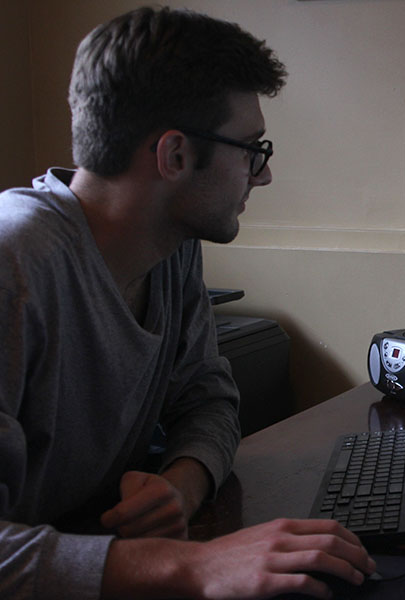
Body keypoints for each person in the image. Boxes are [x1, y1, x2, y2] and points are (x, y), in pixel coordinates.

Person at [0, 7, 374, 600]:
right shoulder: (15, 261)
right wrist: (190, 567)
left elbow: (208, 396)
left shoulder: (169, 247)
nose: (265, 174)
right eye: (252, 148)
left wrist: (182, 483)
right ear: (174, 155)